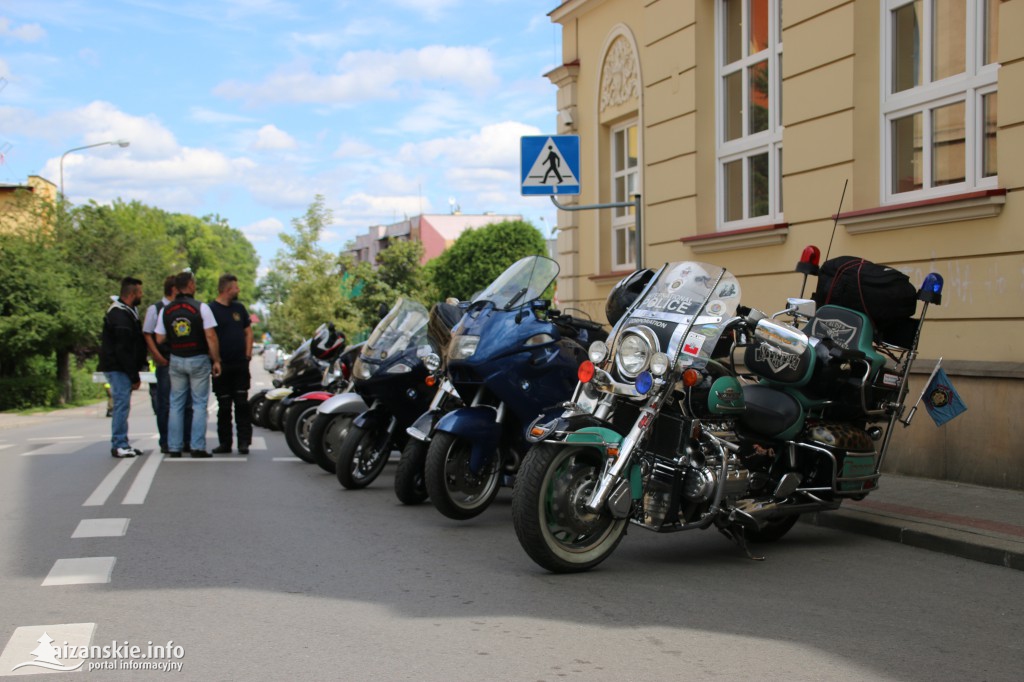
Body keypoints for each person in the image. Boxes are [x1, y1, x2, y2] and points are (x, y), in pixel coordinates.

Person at [155, 271, 222, 458]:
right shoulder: (201, 308)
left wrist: (175, 340)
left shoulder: (166, 310)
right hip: (198, 358)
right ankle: (197, 446)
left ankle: (174, 447)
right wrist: (216, 359)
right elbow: (211, 335)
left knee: (176, 403)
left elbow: (159, 338)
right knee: (199, 404)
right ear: (190, 285)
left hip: (176, 359)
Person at [97, 276, 148, 458]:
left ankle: (123, 442)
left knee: (123, 405)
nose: (142, 295)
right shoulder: (119, 315)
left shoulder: (127, 312)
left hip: (121, 367)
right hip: (118, 368)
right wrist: (133, 375)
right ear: (132, 293)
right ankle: (119, 443)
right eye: (140, 292)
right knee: (121, 405)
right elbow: (123, 348)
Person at [142, 275, 192, 453]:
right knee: (165, 404)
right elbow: (148, 333)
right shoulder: (156, 309)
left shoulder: (182, 307)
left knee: (186, 402)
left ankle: (185, 440)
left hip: (182, 359)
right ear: (175, 289)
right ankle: (166, 441)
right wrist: (157, 356)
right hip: (165, 362)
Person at [209, 273, 253, 455]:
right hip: (222, 365)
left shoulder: (239, 309)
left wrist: (247, 355)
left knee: (242, 404)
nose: (238, 290)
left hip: (240, 364)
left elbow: (248, 332)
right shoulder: (211, 309)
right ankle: (225, 443)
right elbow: (209, 336)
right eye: (236, 287)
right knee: (224, 406)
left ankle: (244, 442)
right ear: (227, 289)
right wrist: (215, 360)